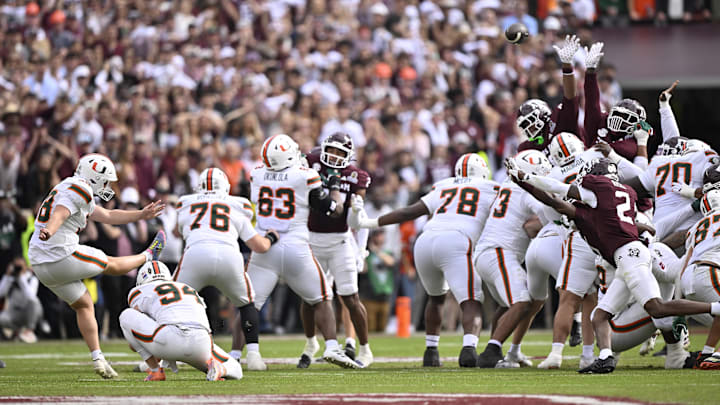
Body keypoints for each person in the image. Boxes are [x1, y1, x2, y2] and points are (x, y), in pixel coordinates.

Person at [508, 157, 720, 374]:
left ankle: (714, 309)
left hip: (631, 257)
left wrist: (525, 178)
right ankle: (606, 358)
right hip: (627, 258)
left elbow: (556, 195)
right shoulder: (623, 197)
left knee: (657, 307)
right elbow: (640, 226)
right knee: (599, 315)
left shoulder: (598, 192)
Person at [349, 154, 497, 368]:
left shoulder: (443, 186)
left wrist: (370, 222)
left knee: (436, 298)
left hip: (425, 241)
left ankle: (431, 352)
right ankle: (468, 350)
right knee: (471, 300)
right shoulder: (492, 187)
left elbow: (410, 211)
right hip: (457, 239)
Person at [27, 153, 166, 379]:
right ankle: (149, 256)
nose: (107, 186)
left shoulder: (70, 187)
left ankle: (98, 359)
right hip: (59, 253)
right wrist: (51, 229)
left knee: (84, 304)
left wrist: (141, 214)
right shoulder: (80, 188)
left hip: (41, 263)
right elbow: (60, 213)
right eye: (105, 180)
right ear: (94, 176)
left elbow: (109, 215)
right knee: (110, 264)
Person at [246, 134, 359, 369]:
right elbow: (333, 209)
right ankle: (331, 346)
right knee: (322, 297)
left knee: (248, 304)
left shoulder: (255, 174)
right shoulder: (305, 176)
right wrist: (335, 188)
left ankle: (245, 354)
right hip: (295, 245)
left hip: (265, 246)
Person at [173, 167, 279, 371]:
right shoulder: (237, 206)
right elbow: (260, 246)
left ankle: (160, 357)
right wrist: (272, 237)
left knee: (173, 301)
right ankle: (254, 355)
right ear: (227, 187)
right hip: (228, 256)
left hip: (195, 255)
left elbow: (177, 233)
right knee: (247, 304)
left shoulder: (186, 204)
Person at [473, 150, 551, 368]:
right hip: (498, 251)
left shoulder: (506, 186)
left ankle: (501, 348)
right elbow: (549, 217)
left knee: (507, 305)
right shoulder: (527, 192)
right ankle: (491, 352)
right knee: (522, 302)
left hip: (489, 251)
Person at [303, 133, 374, 367]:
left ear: (348, 156)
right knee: (309, 297)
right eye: (331, 150)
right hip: (311, 238)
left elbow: (357, 221)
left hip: (340, 241)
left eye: (339, 152)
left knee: (350, 297)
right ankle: (311, 342)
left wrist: (361, 249)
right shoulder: (310, 163)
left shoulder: (356, 177)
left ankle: (364, 348)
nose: (334, 156)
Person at [120, 260, 243, 381]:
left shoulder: (138, 291)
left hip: (171, 338)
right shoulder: (188, 288)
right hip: (202, 342)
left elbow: (134, 340)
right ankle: (221, 369)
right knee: (236, 368)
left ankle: (155, 371)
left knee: (126, 315)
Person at [0, 257, 43, 343]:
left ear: (26, 266)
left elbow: (31, 297)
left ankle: (29, 331)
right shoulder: (10, 279)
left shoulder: (32, 279)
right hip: (14, 313)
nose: (18, 269)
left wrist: (21, 278)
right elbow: (1, 294)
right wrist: (7, 277)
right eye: (16, 266)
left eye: (20, 266)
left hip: (30, 313)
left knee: (34, 301)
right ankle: (18, 331)